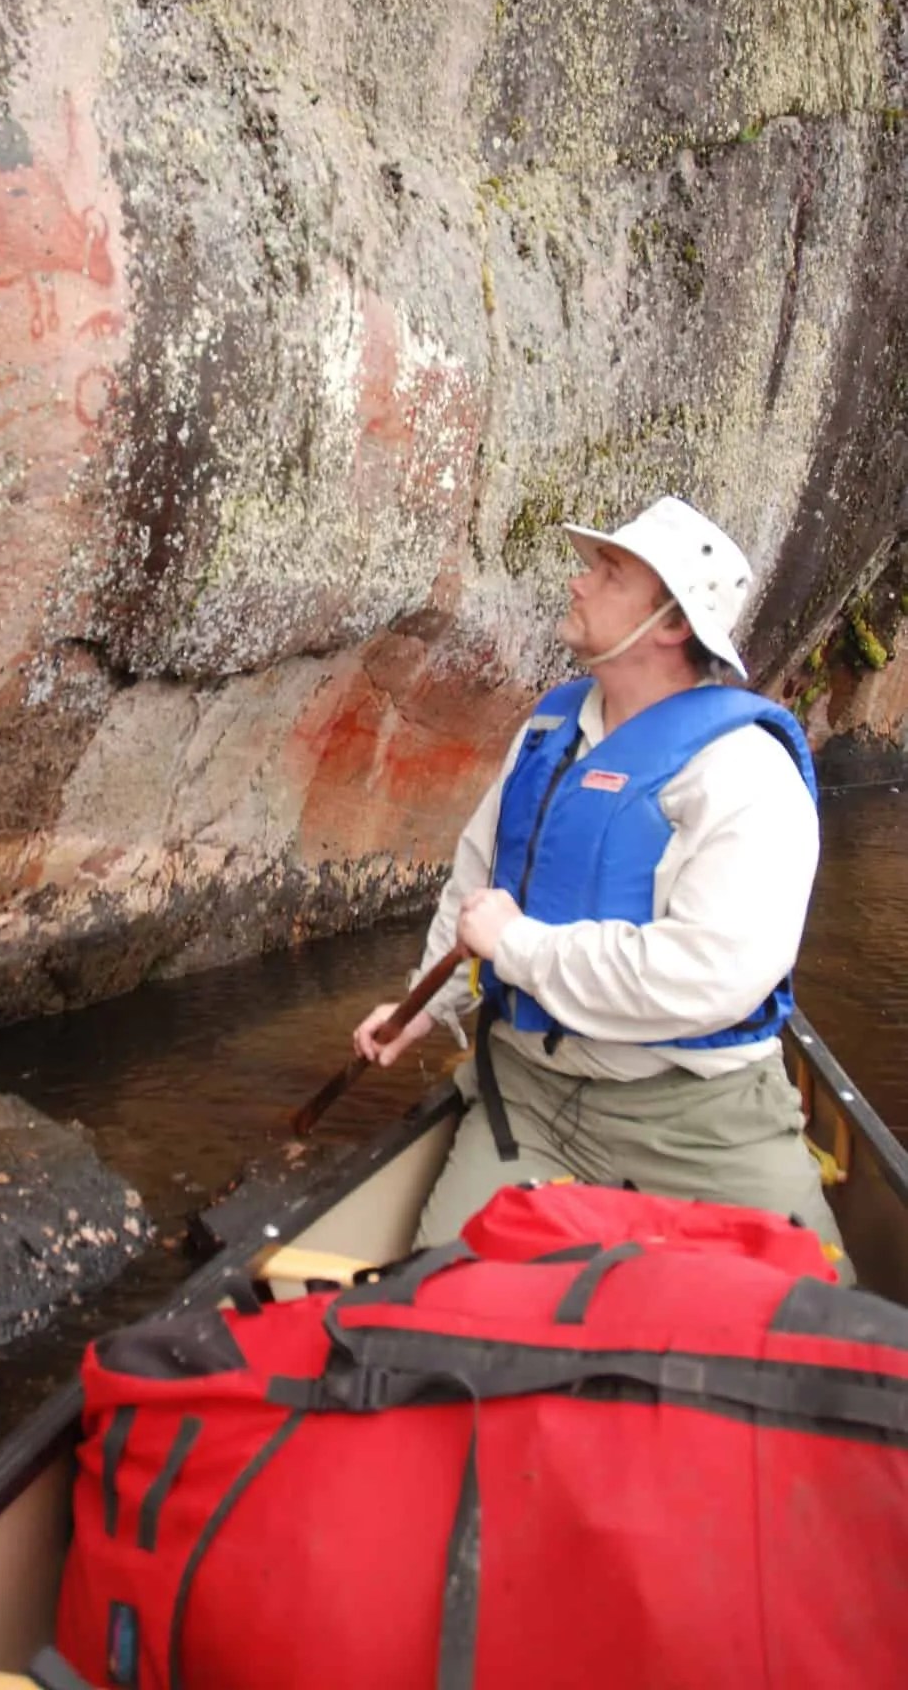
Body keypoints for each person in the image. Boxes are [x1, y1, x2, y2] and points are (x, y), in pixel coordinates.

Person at [353, 495, 845, 1260]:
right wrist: (425, 1004)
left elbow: (707, 977)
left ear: (673, 624)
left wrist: (518, 950)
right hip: (530, 1099)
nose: (578, 584)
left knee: (821, 1341)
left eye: (608, 573)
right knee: (433, 1307)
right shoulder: (549, 732)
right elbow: (477, 887)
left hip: (700, 1120)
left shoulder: (744, 773)